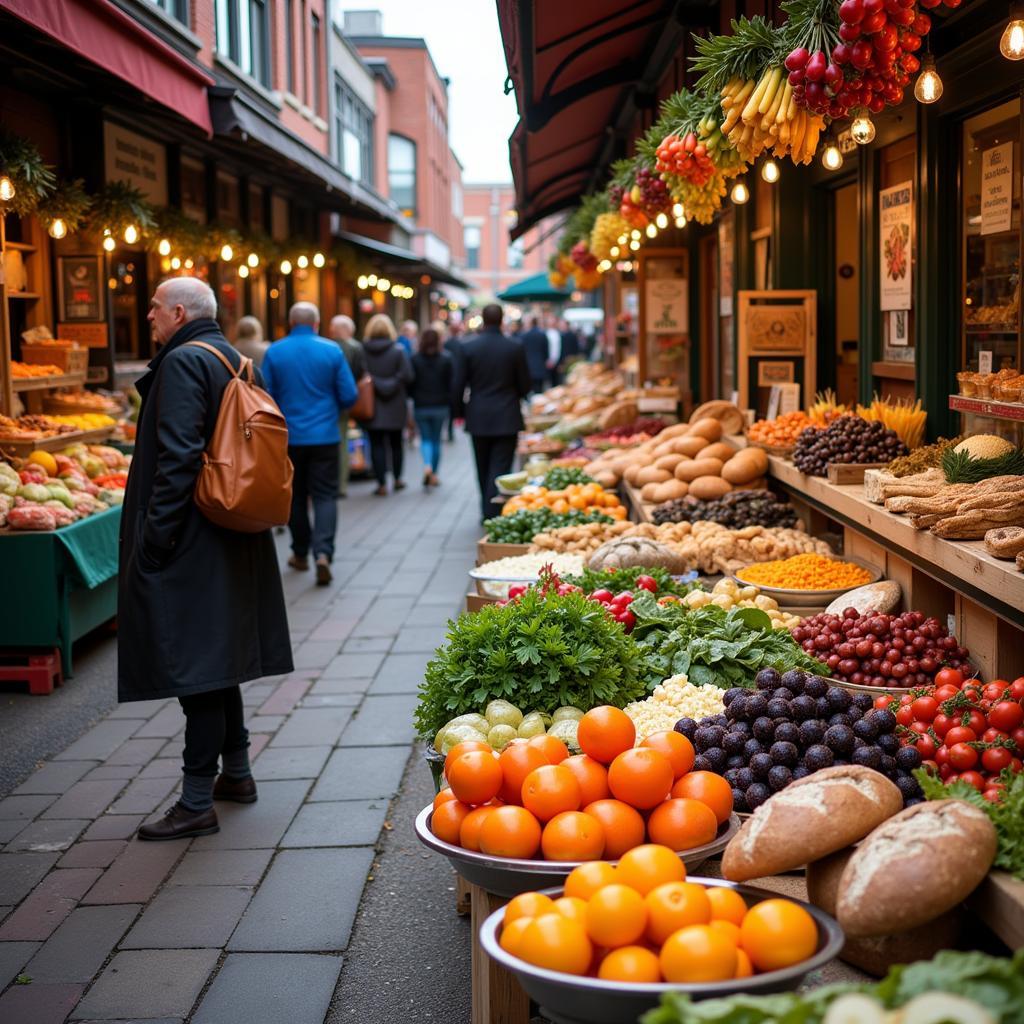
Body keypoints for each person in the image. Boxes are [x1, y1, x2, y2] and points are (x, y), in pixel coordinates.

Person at [119, 276, 293, 841]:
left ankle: (196, 801)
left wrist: (154, 541)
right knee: (218, 660)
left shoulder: (182, 363)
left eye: (152, 308)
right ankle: (236, 773)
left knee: (196, 671)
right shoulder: (235, 359)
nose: (147, 317)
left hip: (193, 540)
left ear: (176, 311)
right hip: (234, 532)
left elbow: (177, 458)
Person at [262, 302, 357, 586]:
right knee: (326, 495)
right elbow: (349, 394)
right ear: (316, 323)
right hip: (325, 435)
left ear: (291, 322)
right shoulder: (332, 350)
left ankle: (300, 551)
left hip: (289, 437)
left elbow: (265, 395)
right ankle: (323, 553)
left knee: (295, 495)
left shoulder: (275, 352)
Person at [453, 302, 530, 521]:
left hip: (478, 414)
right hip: (507, 414)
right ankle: (493, 509)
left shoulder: (467, 347)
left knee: (482, 465)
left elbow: (458, 383)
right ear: (502, 320)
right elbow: (525, 385)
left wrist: (458, 413)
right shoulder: (514, 347)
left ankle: (486, 508)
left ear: (484, 320)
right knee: (501, 464)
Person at [362, 313, 414, 495]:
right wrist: (393, 382)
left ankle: (381, 483)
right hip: (395, 404)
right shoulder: (398, 350)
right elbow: (408, 376)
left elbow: (361, 376)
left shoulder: (363, 351)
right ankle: (398, 479)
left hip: (373, 404)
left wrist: (375, 382)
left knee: (376, 444)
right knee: (396, 443)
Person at [328, 314, 366, 499]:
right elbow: (360, 374)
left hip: (328, 402)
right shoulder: (355, 348)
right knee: (342, 441)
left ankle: (332, 480)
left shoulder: (327, 347)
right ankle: (341, 483)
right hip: (344, 401)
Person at [410, 327, 453, 488]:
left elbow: (410, 382)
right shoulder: (446, 358)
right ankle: (434, 473)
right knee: (436, 440)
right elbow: (451, 383)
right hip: (440, 405)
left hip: (421, 404)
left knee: (425, 438)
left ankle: (427, 464)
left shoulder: (414, 359)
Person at [442, 321, 463, 443]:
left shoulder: (447, 343)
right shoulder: (461, 344)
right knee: (451, 404)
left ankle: (448, 428)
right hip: (455, 376)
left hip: (448, 376)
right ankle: (450, 429)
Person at [521, 316, 550, 395]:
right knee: (539, 390)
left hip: (528, 366)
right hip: (540, 365)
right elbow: (546, 351)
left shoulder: (525, 335)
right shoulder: (542, 335)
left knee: (530, 390)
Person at [544, 313, 563, 387]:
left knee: (557, 383)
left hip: (558, 363)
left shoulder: (560, 334)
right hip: (547, 363)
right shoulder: (544, 334)